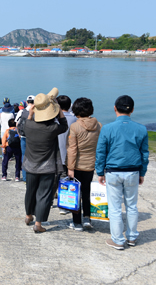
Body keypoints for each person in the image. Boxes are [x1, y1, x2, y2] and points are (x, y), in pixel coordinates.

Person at [96, 95, 149, 250]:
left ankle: (118, 240)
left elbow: (101, 153)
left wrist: (100, 172)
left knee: (115, 207)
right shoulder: (141, 129)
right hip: (133, 171)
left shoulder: (107, 128)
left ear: (114, 108)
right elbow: (144, 154)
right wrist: (142, 172)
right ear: (132, 110)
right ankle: (132, 237)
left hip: (113, 171)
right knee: (132, 205)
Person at [23, 88, 68, 234]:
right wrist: (59, 110)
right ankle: (38, 223)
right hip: (47, 167)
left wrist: (30, 114)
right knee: (44, 195)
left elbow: (25, 124)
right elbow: (64, 124)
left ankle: (28, 215)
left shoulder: (28, 125)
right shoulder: (53, 128)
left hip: (30, 165)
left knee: (30, 191)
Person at [66, 97, 101, 231]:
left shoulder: (75, 126)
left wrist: (70, 167)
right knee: (87, 192)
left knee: (75, 194)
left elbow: (72, 149)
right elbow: (100, 146)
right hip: (91, 164)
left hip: (77, 165)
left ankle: (77, 223)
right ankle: (87, 218)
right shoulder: (99, 125)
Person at [53, 95, 78, 214]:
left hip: (53, 154)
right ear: (70, 106)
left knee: (52, 178)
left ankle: (48, 201)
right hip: (68, 155)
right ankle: (63, 206)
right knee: (65, 179)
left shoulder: (53, 119)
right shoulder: (74, 120)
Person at [16, 95, 35, 182]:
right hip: (34, 138)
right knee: (33, 157)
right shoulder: (37, 112)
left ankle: (25, 177)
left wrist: (19, 134)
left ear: (27, 102)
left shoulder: (21, 111)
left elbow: (17, 124)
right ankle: (33, 177)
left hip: (23, 137)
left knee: (24, 157)